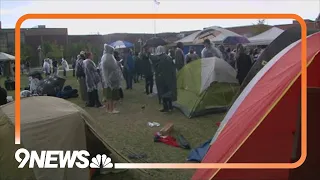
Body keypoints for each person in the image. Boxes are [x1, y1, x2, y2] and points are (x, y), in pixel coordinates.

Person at [100, 44, 123, 113]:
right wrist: (118, 64)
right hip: (111, 79)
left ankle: (108, 109)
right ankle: (111, 109)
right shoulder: (108, 57)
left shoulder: (104, 56)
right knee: (111, 96)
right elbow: (113, 67)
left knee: (108, 96)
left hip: (107, 79)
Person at [155, 46, 177, 112]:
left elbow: (158, 69)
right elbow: (173, 67)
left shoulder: (161, 58)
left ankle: (166, 107)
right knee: (169, 92)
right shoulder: (168, 57)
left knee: (163, 93)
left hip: (163, 79)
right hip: (170, 78)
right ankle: (170, 106)